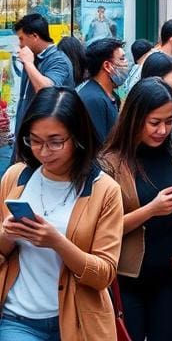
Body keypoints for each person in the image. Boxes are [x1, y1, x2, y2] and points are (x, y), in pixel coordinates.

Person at [0, 88, 123, 341]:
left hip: (81, 321)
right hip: (17, 318)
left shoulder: (104, 190)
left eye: (56, 142)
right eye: (34, 140)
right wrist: (8, 235)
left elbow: (103, 274)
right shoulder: (16, 177)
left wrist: (56, 242)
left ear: (78, 137)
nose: (44, 152)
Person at [100, 78, 172, 341]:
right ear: (135, 118)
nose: (163, 130)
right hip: (126, 278)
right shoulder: (109, 163)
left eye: (169, 121)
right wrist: (151, 209)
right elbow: (103, 228)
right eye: (154, 122)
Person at [13, 13, 76, 133]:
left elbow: (47, 92)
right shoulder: (33, 57)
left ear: (34, 36)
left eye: (21, 38)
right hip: (27, 133)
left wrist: (29, 64)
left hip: (46, 135)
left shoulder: (58, 60)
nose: (20, 44)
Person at [79, 37, 127, 145]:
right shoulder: (93, 100)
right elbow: (98, 147)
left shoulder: (110, 95)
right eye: (122, 59)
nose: (126, 64)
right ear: (107, 66)